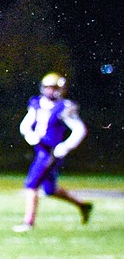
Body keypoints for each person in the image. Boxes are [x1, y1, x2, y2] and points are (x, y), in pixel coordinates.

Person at [14, 72, 92, 231]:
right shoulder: (36, 103)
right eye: (48, 87)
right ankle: (82, 205)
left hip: (50, 152)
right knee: (50, 190)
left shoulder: (64, 107)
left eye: (53, 87)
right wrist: (30, 136)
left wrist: (65, 146)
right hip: (40, 149)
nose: (50, 91)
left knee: (31, 184)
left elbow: (79, 129)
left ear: (60, 89)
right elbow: (25, 125)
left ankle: (28, 222)